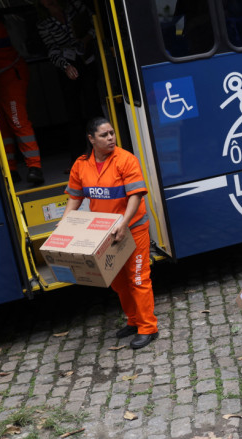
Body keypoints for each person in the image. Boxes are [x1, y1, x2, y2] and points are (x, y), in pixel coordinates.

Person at [62, 117, 158, 349]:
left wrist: (124, 224)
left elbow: (135, 196)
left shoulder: (126, 160)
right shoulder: (81, 164)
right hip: (105, 233)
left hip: (133, 229)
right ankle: (133, 320)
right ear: (91, 139)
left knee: (137, 278)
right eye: (104, 135)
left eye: (112, 133)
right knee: (117, 281)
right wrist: (65, 223)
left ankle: (148, 328)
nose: (111, 138)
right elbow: (75, 198)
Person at [0, 0, 44, 184]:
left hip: (9, 74)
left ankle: (35, 167)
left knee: (17, 121)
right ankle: (11, 169)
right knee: (1, 126)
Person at [36, 0, 102, 168]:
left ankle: (103, 151)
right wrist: (65, 66)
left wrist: (86, 39)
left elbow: (96, 23)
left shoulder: (75, 5)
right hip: (66, 65)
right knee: (73, 113)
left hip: (87, 59)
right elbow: (51, 49)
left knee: (93, 107)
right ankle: (79, 160)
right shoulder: (43, 23)